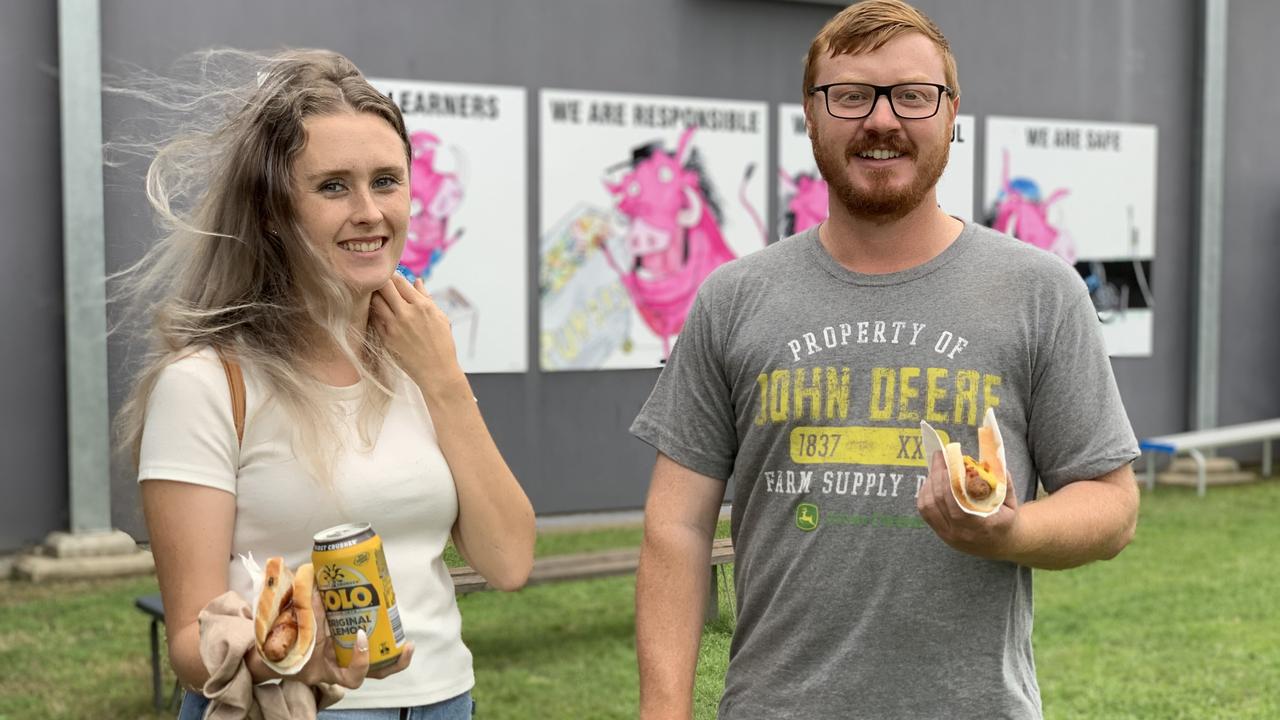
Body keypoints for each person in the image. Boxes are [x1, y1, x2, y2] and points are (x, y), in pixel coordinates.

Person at [630, 1, 1140, 718]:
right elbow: (675, 528)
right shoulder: (733, 299)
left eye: (912, 95)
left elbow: (1113, 506)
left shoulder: (1038, 291)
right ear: (810, 116)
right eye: (849, 95)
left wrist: (1009, 530)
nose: (881, 120)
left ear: (952, 113)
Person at [115, 49, 536, 719]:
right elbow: (192, 642)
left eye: (387, 181)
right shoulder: (205, 384)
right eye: (334, 186)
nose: (369, 211)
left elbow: (509, 560)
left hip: (444, 702)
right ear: (275, 213)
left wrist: (444, 381)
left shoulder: (421, 358)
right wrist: (283, 652)